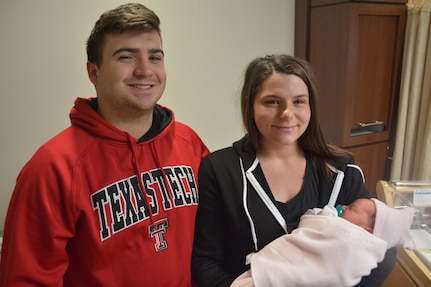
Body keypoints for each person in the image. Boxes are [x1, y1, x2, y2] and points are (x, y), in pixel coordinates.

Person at [0, 3, 209, 286]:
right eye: (126, 57)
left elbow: (214, 240)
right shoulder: (52, 168)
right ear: (93, 72)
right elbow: (26, 279)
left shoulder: (189, 143)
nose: (145, 70)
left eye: (155, 57)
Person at [191, 54, 397, 287]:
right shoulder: (220, 170)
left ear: (311, 106)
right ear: (250, 106)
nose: (287, 113)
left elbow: (381, 250)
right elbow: (206, 263)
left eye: (298, 101)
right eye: (272, 101)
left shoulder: (342, 170)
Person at [230, 198, 415, 287]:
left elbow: (315, 224)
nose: (342, 206)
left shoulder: (350, 240)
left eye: (351, 208)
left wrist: (323, 217)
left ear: (367, 232)